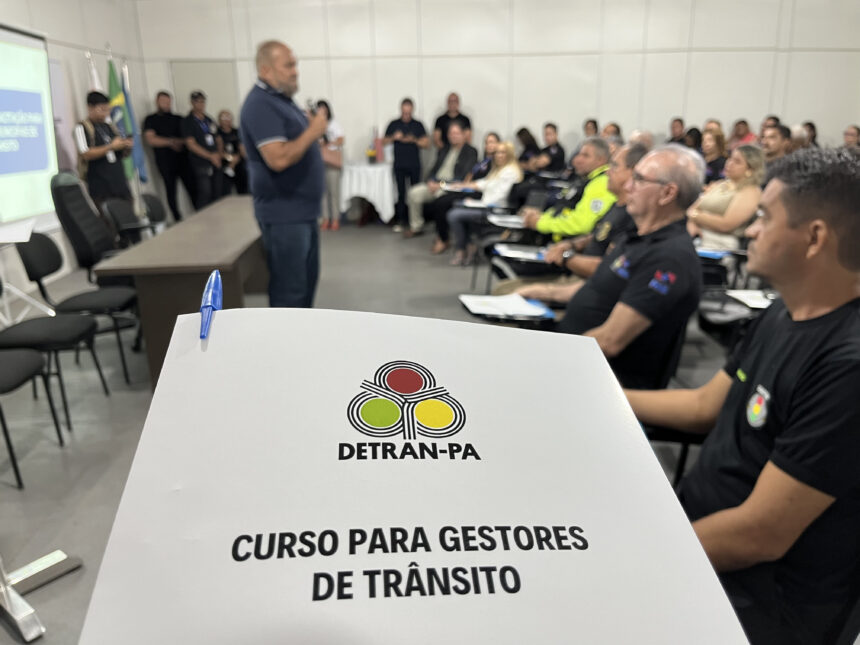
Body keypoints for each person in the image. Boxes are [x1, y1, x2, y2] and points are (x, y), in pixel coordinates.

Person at [624, 147, 860, 645]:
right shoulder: (782, 310)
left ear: (815, 238)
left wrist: (636, 554)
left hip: (756, 599)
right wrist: (605, 395)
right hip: (698, 530)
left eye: (764, 218)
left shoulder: (848, 365)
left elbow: (760, 534)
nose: (750, 230)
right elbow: (704, 407)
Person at [556, 144, 703, 389]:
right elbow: (596, 288)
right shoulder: (636, 237)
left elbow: (609, 342)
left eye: (639, 179)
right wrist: (537, 292)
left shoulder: (669, 258)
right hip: (575, 357)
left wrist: (550, 355)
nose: (627, 186)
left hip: (598, 382)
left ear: (667, 193)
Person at [239, 40, 328, 308]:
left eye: (295, 64)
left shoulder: (282, 102)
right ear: (265, 70)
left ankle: (301, 334)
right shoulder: (260, 104)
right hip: (285, 216)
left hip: (301, 212)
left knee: (305, 287)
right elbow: (278, 159)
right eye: (288, 65)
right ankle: (287, 337)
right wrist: (313, 131)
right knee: (290, 293)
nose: (295, 71)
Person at [501, 143, 644, 298]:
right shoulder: (609, 199)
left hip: (583, 277)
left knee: (505, 291)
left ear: (633, 173)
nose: (608, 171)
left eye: (614, 166)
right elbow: (597, 233)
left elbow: (583, 227)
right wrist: (572, 244)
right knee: (504, 287)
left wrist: (565, 255)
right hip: (571, 260)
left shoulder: (611, 194)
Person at [520, 136, 616, 241]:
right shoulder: (586, 180)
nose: (578, 159)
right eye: (579, 154)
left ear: (601, 160)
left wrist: (540, 223)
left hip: (571, 245)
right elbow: (563, 206)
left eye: (586, 156)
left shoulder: (602, 183)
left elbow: (581, 224)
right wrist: (540, 217)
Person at [444, 141, 523, 265]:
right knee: (457, 204)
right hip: (486, 206)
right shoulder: (498, 170)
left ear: (509, 154)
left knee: (454, 215)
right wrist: (462, 185)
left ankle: (461, 249)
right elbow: (484, 183)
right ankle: (469, 245)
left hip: (495, 210)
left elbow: (498, 197)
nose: (498, 156)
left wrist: (476, 203)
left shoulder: (510, 172)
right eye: (497, 153)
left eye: (502, 152)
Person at [429, 132, 498, 254]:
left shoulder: (496, 163)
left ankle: (445, 239)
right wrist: (463, 184)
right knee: (441, 200)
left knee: (442, 203)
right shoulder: (483, 161)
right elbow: (471, 175)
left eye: (492, 142)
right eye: (487, 142)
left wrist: (466, 185)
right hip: (467, 188)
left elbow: (486, 183)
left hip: (479, 192)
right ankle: (443, 236)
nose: (489, 145)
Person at [405, 122, 477, 237]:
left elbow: (463, 176)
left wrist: (441, 184)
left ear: (464, 135)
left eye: (456, 133)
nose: (453, 136)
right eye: (451, 133)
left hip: (451, 187)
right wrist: (430, 181)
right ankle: (416, 227)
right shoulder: (444, 149)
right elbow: (433, 168)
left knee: (440, 198)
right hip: (434, 183)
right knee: (414, 193)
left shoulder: (470, 152)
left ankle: (442, 234)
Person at [687, 145, 764, 250]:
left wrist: (696, 216)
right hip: (697, 233)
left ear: (750, 169)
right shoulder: (720, 184)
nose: (729, 163)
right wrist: (692, 223)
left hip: (721, 243)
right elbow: (692, 209)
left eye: (737, 161)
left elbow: (726, 224)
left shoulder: (750, 191)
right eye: (730, 158)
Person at [142, 91, 196, 221]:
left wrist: (179, 142)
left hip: (183, 160)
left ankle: (200, 213)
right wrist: (170, 142)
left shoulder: (179, 119)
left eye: (168, 102)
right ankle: (177, 219)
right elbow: (151, 139)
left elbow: (190, 139)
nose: (166, 104)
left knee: (193, 189)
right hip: (165, 162)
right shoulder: (151, 119)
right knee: (171, 191)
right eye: (163, 101)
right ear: (157, 102)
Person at [74, 91, 132, 208]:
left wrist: (126, 146)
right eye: (102, 109)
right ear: (90, 107)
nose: (106, 113)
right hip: (100, 186)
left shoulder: (110, 126)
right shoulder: (82, 127)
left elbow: (121, 154)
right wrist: (111, 147)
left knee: (129, 215)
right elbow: (86, 154)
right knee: (107, 217)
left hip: (120, 182)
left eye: (108, 110)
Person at [384, 98, 429, 233]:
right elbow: (383, 141)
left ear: (412, 110)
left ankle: (416, 221)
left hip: (414, 164)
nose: (406, 115)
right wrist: (394, 137)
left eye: (408, 113)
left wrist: (414, 140)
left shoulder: (418, 125)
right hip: (399, 164)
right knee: (401, 194)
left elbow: (426, 143)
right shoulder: (394, 124)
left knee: (416, 193)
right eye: (404, 113)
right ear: (401, 110)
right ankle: (401, 220)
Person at [182, 90, 222, 209]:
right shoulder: (188, 121)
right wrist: (210, 156)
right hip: (200, 162)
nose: (200, 104)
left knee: (217, 192)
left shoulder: (209, 120)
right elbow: (191, 144)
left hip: (215, 161)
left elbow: (218, 139)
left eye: (202, 101)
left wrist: (218, 154)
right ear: (192, 103)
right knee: (205, 192)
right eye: (197, 102)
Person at [315, 99, 344, 230]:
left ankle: (335, 218)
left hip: (332, 159)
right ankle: (325, 218)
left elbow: (341, 139)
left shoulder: (334, 124)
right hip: (320, 160)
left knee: (333, 191)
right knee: (323, 192)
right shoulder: (314, 125)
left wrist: (329, 143)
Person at [216, 109, 248, 196]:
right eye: (224, 117)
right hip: (225, 161)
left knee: (244, 182)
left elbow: (242, 148)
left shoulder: (237, 131)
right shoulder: (217, 133)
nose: (227, 120)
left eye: (228, 117)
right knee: (225, 186)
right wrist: (230, 159)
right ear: (219, 120)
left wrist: (236, 159)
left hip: (238, 160)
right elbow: (219, 151)